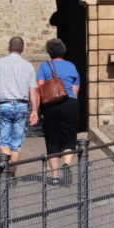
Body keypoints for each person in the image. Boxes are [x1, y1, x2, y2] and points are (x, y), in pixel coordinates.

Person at [0, 35, 39, 170]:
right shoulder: (28, 66)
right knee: (16, 144)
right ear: (23, 49)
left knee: (3, 142)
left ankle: (6, 171)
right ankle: (11, 176)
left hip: (5, 105)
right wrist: (34, 111)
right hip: (22, 106)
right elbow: (33, 91)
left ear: (9, 47)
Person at [36, 37, 81, 185]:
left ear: (49, 52)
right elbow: (75, 89)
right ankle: (67, 164)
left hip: (51, 105)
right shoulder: (71, 66)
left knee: (52, 140)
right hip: (69, 103)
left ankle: (54, 176)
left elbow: (40, 88)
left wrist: (37, 109)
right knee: (69, 139)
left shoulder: (44, 66)